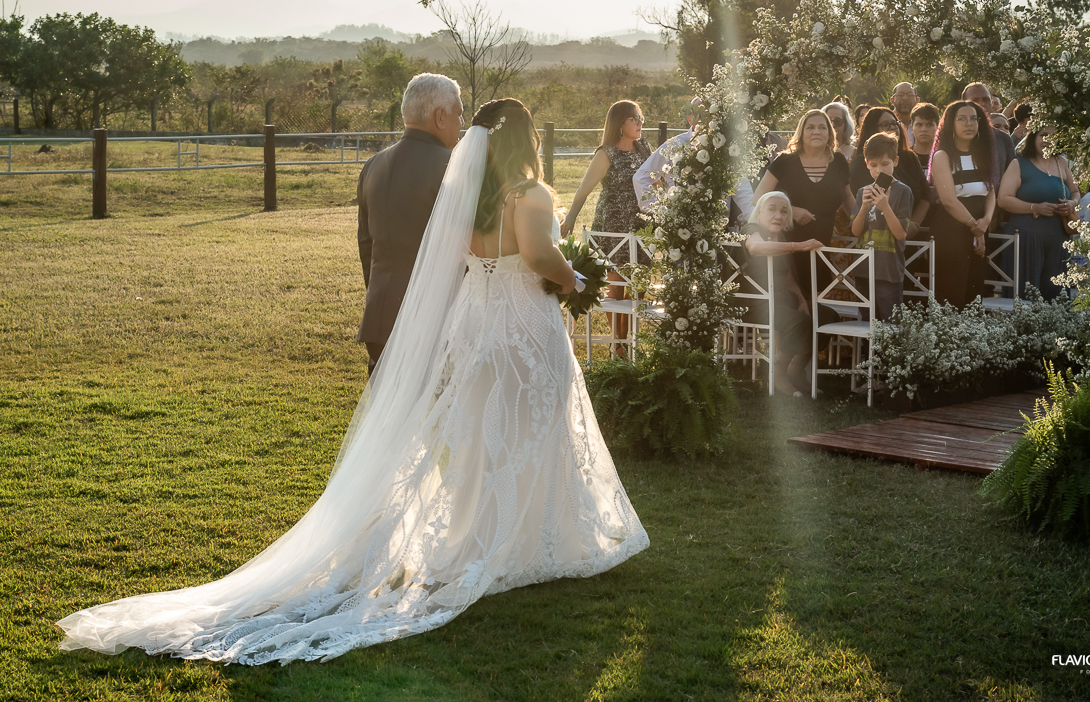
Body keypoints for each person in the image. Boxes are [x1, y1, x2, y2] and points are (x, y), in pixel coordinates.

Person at [56, 98, 649, 664]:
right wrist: (573, 278)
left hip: (474, 323)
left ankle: (475, 535)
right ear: (527, 141)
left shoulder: (470, 196)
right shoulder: (532, 192)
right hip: (521, 325)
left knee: (476, 433)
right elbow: (540, 255)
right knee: (534, 426)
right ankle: (529, 540)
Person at [357, 73, 463, 376]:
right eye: (458, 113)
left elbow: (366, 246)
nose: (461, 123)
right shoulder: (452, 167)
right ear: (440, 116)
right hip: (436, 316)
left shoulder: (372, 165)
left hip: (380, 315)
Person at [563, 100, 653, 350]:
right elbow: (584, 189)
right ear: (619, 124)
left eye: (640, 118)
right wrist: (570, 218)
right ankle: (619, 343)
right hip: (614, 225)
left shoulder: (644, 147)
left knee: (639, 287)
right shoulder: (606, 153)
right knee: (617, 287)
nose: (640, 123)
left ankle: (631, 341)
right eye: (634, 119)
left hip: (642, 224)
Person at [754, 109, 853, 292]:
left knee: (816, 302)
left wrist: (862, 222)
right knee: (793, 302)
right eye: (811, 127)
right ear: (801, 132)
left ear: (829, 133)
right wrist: (793, 211)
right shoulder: (785, 161)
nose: (817, 131)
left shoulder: (838, 161)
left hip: (821, 247)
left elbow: (848, 199)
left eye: (822, 127)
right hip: (787, 245)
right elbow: (758, 198)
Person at [742, 191, 824, 395]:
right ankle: (778, 372)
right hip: (757, 302)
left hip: (782, 299)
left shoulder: (780, 236)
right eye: (772, 209)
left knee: (824, 316)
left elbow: (787, 276)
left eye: (783, 211)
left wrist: (801, 299)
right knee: (800, 322)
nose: (778, 215)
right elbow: (755, 248)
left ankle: (795, 368)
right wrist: (800, 246)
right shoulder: (752, 229)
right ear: (759, 212)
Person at [633, 97, 753, 230]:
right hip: (680, 227)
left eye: (709, 114)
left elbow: (742, 189)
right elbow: (641, 177)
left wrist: (754, 219)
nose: (704, 118)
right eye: (699, 114)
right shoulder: (675, 144)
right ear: (690, 118)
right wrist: (660, 214)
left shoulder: (727, 149)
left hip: (717, 227)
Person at [926, 100, 997, 309]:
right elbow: (948, 201)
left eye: (974, 119)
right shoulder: (943, 156)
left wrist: (985, 222)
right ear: (951, 124)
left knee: (974, 295)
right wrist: (975, 228)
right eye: (962, 119)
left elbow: (992, 192)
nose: (969, 124)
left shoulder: (983, 154)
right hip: (953, 230)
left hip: (981, 226)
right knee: (952, 293)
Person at [996, 125, 1081, 300]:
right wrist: (1034, 208)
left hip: (1058, 239)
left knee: (1055, 294)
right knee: (1025, 294)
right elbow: (1003, 199)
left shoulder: (1061, 163)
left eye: (1053, 136)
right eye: (1043, 135)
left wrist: (1071, 204)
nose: (1048, 140)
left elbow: (1075, 191)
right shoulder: (1018, 164)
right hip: (1025, 238)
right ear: (1033, 137)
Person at [851, 133, 913, 322]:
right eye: (874, 165)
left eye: (885, 164)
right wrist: (863, 207)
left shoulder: (903, 191)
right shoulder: (863, 191)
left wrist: (885, 207)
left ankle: (888, 353)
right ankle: (868, 353)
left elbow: (901, 233)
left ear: (895, 161)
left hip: (888, 270)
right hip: (863, 269)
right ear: (867, 164)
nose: (879, 170)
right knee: (867, 321)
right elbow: (855, 231)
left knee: (890, 321)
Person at [848, 107, 931, 239]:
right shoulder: (860, 164)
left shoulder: (909, 157)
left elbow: (926, 194)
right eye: (885, 125)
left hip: (908, 234)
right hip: (876, 236)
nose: (892, 128)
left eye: (895, 123)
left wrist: (912, 224)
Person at [963, 82, 1015, 191]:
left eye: (985, 100)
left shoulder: (1004, 139)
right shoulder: (953, 137)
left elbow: (1012, 178)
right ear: (963, 104)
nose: (981, 104)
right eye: (975, 100)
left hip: (998, 204)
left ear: (991, 103)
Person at [909, 102, 939, 170]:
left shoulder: (945, 156)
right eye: (919, 125)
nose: (924, 129)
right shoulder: (904, 157)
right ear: (912, 128)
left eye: (929, 125)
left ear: (937, 127)